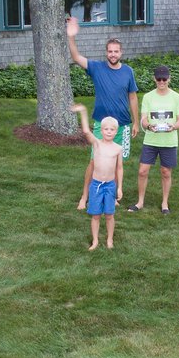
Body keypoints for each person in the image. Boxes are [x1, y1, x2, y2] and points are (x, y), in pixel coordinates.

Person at [67, 16, 138, 210]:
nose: (113, 54)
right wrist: (71, 36)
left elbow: (133, 97)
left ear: (121, 52)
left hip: (122, 125)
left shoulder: (128, 72)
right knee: (94, 161)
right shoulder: (97, 68)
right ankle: (85, 197)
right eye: (110, 51)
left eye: (116, 51)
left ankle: (111, 196)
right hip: (101, 124)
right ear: (106, 52)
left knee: (115, 162)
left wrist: (136, 122)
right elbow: (76, 57)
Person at [128, 65, 179, 214]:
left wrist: (173, 126)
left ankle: (164, 203)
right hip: (151, 141)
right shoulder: (148, 97)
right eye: (159, 79)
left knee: (166, 172)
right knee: (142, 171)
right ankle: (140, 202)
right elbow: (143, 119)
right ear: (154, 79)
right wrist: (148, 126)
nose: (161, 82)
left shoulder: (176, 97)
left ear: (169, 79)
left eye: (164, 79)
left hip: (169, 141)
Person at [70, 104, 123, 251]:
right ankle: (95, 241)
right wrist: (83, 112)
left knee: (109, 215)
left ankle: (110, 240)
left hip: (110, 186)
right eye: (106, 129)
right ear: (101, 130)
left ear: (116, 131)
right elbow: (86, 131)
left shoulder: (118, 148)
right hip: (96, 185)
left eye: (112, 129)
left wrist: (119, 187)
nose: (109, 132)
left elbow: (119, 168)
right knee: (96, 215)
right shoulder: (97, 144)